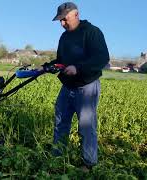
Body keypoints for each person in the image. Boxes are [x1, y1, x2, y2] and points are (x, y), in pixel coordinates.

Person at [40, 2, 110, 170]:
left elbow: (102, 58)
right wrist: (45, 67)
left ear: (76, 14)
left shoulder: (92, 32)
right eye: (60, 21)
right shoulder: (64, 37)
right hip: (67, 86)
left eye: (65, 19)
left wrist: (78, 68)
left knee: (86, 126)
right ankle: (57, 158)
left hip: (86, 87)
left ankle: (88, 164)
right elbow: (60, 61)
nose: (62, 24)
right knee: (60, 122)